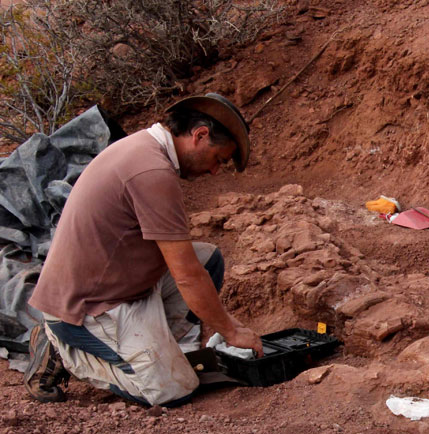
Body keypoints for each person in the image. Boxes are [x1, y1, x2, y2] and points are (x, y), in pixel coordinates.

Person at [24, 93, 263, 407]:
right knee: (174, 390)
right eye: (218, 158)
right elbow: (187, 276)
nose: (216, 170)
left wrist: (224, 325)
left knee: (209, 260)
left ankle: (152, 353)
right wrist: (230, 331)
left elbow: (191, 266)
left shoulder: (146, 149)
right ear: (200, 135)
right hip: (86, 307)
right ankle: (63, 349)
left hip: (117, 283)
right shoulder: (152, 172)